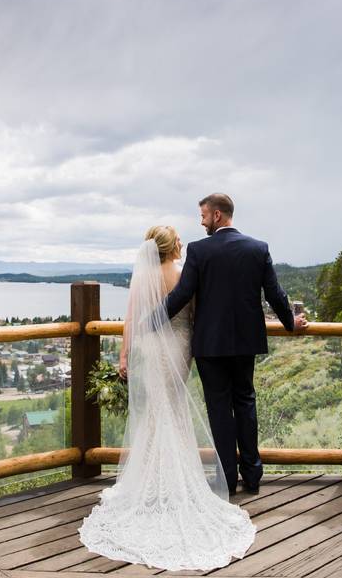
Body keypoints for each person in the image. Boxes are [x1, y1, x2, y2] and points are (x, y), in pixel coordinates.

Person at [78, 225, 256, 571]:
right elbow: (197, 313)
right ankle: (170, 481)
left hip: (150, 346)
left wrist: (124, 355)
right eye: (177, 239)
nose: (181, 242)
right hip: (178, 346)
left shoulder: (144, 276)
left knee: (156, 412)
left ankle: (151, 478)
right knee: (171, 409)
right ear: (169, 246)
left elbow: (131, 318)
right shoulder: (182, 273)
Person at [165, 193, 308, 495]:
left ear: (217, 215)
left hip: (210, 346)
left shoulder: (199, 251)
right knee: (245, 403)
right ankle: (253, 476)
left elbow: (181, 295)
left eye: (203, 215)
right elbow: (274, 293)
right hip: (245, 343)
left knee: (219, 409)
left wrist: (149, 320)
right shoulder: (257, 248)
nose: (201, 221)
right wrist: (290, 323)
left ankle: (227, 480)